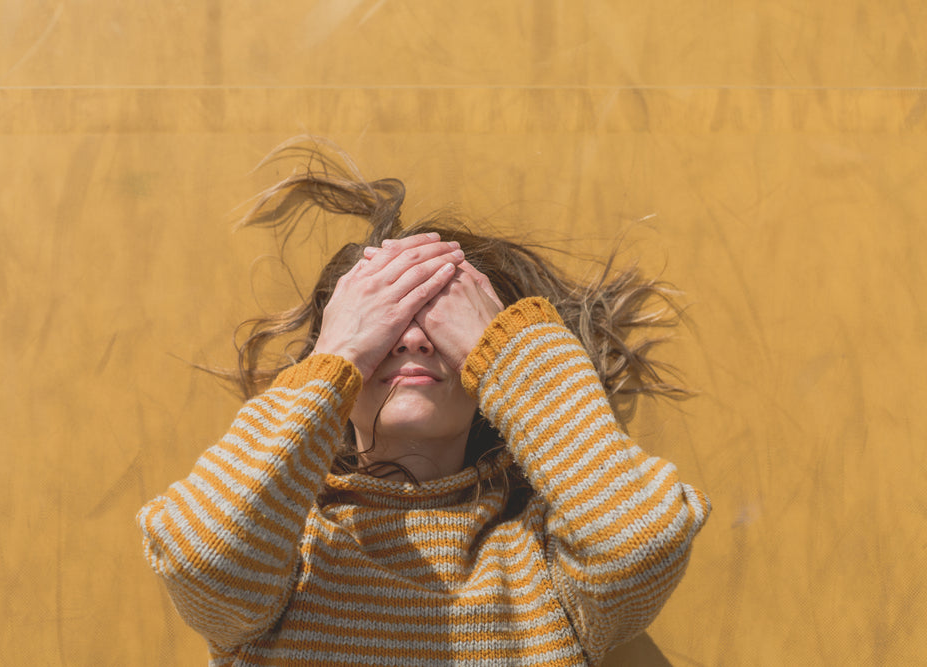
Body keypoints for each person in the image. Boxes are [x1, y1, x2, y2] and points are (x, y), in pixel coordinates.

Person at [137, 139, 711, 666]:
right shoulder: (287, 556)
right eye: (384, 322)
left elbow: (641, 545)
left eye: (442, 320)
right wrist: (338, 353)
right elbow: (201, 558)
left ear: (489, 369)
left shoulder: (547, 560)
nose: (411, 339)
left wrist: (515, 350)